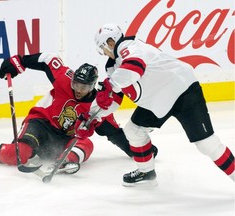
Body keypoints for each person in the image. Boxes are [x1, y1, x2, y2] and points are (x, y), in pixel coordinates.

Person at [0, 52, 158, 175]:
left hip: (62, 141)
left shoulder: (98, 107)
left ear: (93, 86)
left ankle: (64, 161)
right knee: (16, 154)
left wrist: (137, 151)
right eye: (76, 83)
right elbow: (47, 59)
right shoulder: (63, 79)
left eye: (83, 87)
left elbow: (114, 133)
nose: (77, 89)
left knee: (87, 143)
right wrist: (18, 62)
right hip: (40, 124)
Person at [91, 23, 234, 186]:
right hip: (157, 100)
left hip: (183, 91)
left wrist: (111, 83)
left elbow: (134, 67)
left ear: (110, 42)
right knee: (134, 131)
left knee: (206, 144)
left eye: (103, 49)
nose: (104, 54)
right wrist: (92, 116)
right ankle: (146, 172)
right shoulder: (112, 66)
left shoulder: (129, 46)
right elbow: (114, 98)